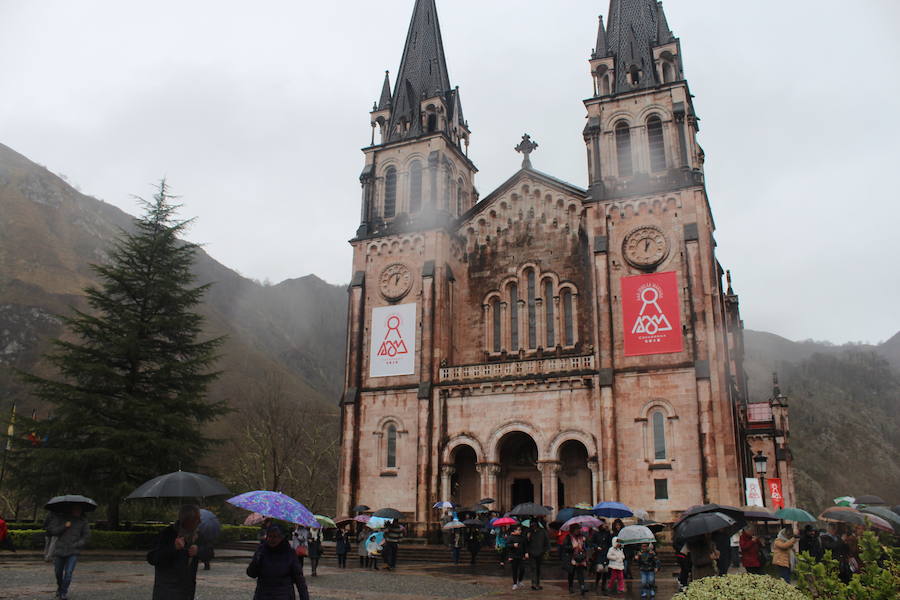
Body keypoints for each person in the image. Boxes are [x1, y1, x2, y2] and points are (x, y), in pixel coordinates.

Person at [149, 504, 210, 600]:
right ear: (187, 520)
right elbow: (153, 558)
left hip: (187, 591)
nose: (200, 522)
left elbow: (210, 553)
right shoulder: (167, 534)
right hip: (167, 592)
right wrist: (173, 548)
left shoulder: (198, 535)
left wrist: (199, 551)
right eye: (196, 519)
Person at [247, 524, 310, 600]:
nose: (272, 539)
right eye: (270, 536)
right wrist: (256, 561)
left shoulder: (289, 553)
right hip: (263, 594)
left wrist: (304, 597)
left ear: (281, 537)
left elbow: (299, 579)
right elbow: (251, 573)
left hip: (284, 595)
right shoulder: (261, 551)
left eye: (275, 536)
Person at [46, 503, 90, 600]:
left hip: (73, 551)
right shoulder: (62, 519)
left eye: (79, 509)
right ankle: (60, 587)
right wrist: (64, 526)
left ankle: (63, 592)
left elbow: (86, 536)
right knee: (58, 572)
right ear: (72, 510)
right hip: (60, 550)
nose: (78, 511)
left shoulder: (83, 522)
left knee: (68, 573)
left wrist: (78, 544)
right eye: (76, 509)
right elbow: (53, 531)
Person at [564, 527, 590, 595]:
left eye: (578, 529)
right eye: (576, 529)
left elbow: (586, 546)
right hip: (572, 558)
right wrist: (572, 547)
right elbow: (565, 547)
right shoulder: (568, 537)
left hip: (580, 557)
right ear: (573, 530)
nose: (578, 530)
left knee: (580, 572)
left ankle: (582, 586)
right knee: (571, 573)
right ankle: (570, 587)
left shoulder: (582, 537)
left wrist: (583, 544)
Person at [588, 520, 612, 592]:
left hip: (606, 553)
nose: (605, 525)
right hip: (599, 554)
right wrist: (596, 547)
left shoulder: (608, 533)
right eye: (603, 524)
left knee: (606, 570)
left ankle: (603, 585)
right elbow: (591, 542)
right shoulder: (596, 533)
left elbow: (610, 542)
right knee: (599, 569)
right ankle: (597, 582)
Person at [527, 520, 550, 590]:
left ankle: (537, 583)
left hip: (540, 553)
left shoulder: (543, 532)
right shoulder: (529, 532)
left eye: (534, 525)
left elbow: (547, 541)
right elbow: (526, 543)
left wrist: (545, 550)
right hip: (532, 553)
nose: (533, 527)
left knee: (538, 569)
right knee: (533, 568)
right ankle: (533, 583)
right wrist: (528, 538)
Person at [507, 524, 527, 590]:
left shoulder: (522, 537)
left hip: (521, 556)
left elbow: (525, 545)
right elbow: (507, 545)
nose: (519, 531)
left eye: (520, 530)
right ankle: (515, 583)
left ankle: (520, 581)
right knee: (514, 570)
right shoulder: (511, 537)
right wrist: (513, 545)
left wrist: (526, 553)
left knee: (522, 569)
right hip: (513, 556)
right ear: (514, 530)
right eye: (518, 530)